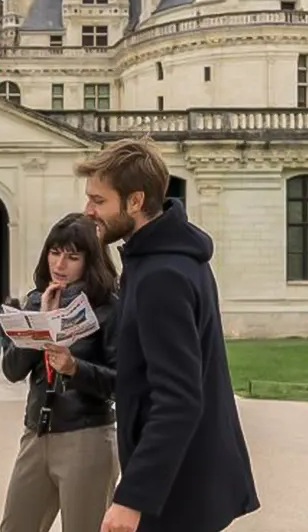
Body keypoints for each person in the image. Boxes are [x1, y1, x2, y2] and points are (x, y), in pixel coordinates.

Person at [78, 138, 259, 532]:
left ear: (135, 200)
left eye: (98, 200)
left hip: (178, 487)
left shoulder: (161, 275)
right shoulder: (162, 260)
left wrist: (133, 496)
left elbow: (178, 398)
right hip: (184, 474)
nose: (88, 210)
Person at [0, 213, 121, 532]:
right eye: (54, 252)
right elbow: (11, 370)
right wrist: (40, 325)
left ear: (89, 261)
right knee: (15, 526)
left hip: (86, 434)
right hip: (37, 432)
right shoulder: (38, 299)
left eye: (72, 256)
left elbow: (121, 383)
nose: (60, 264)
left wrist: (74, 368)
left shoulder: (109, 308)